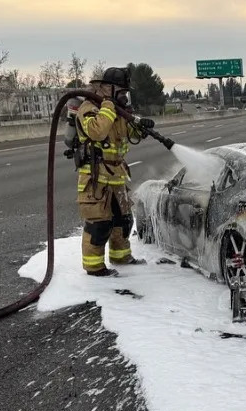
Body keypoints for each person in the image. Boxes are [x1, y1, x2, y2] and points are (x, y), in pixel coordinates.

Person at [74, 67, 155, 276]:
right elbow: (97, 131)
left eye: (125, 92)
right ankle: (94, 267)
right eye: (121, 91)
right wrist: (109, 106)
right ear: (107, 88)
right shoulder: (89, 108)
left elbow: (130, 132)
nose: (124, 96)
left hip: (117, 175)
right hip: (95, 178)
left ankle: (121, 256)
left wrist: (142, 126)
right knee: (99, 224)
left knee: (123, 220)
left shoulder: (117, 112)